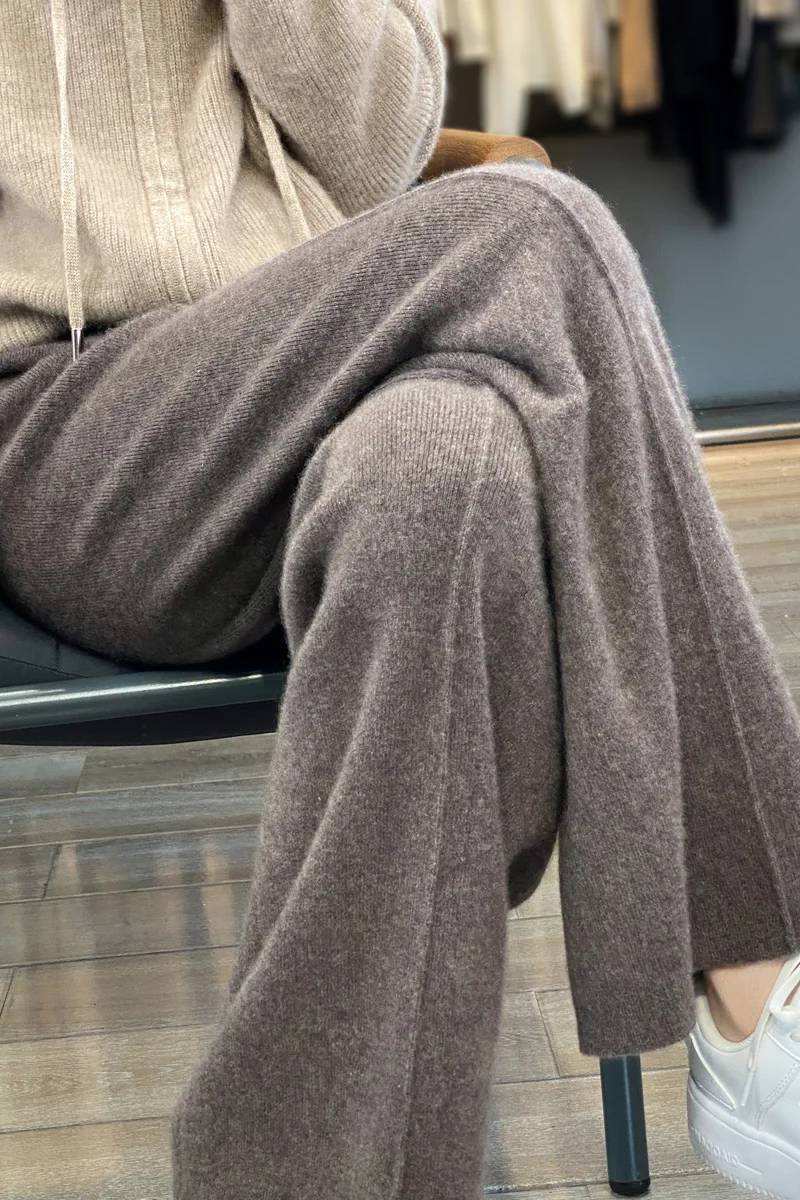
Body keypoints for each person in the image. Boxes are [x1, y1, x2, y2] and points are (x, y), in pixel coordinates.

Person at [0, 4, 798, 1199]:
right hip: (75, 435)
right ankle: (754, 976)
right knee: (540, 224)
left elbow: (382, 153)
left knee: (443, 476)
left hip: (329, 366)